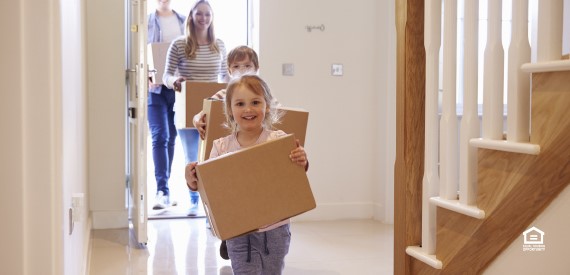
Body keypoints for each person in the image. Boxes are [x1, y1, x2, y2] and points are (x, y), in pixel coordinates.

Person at [185, 75, 309, 274]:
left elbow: (294, 175)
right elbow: (209, 187)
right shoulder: (221, 147)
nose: (248, 109)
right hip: (238, 232)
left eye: (255, 102)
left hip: (275, 230)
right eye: (240, 104)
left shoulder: (278, 140)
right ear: (230, 110)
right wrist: (191, 178)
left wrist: (302, 159)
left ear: (267, 106)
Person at [163, 0, 228, 216]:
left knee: (214, 159)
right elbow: (166, 75)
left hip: (214, 111)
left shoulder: (219, 44)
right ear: (191, 16)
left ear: (212, 17)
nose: (203, 18)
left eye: (207, 14)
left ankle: (211, 207)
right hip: (188, 110)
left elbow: (226, 78)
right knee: (193, 158)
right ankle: (193, 200)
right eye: (199, 14)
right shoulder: (180, 44)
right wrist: (174, 81)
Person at [147, 0, 186, 210]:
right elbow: (140, 53)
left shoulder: (183, 21)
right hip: (155, 89)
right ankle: (161, 190)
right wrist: (145, 75)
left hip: (178, 89)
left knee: (171, 137)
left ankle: (166, 187)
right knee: (159, 135)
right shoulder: (147, 22)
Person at [192, 45, 260, 139]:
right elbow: (202, 113)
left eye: (247, 66)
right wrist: (197, 119)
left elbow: (280, 112)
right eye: (236, 66)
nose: (242, 70)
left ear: (256, 68)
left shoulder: (262, 94)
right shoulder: (223, 94)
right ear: (229, 71)